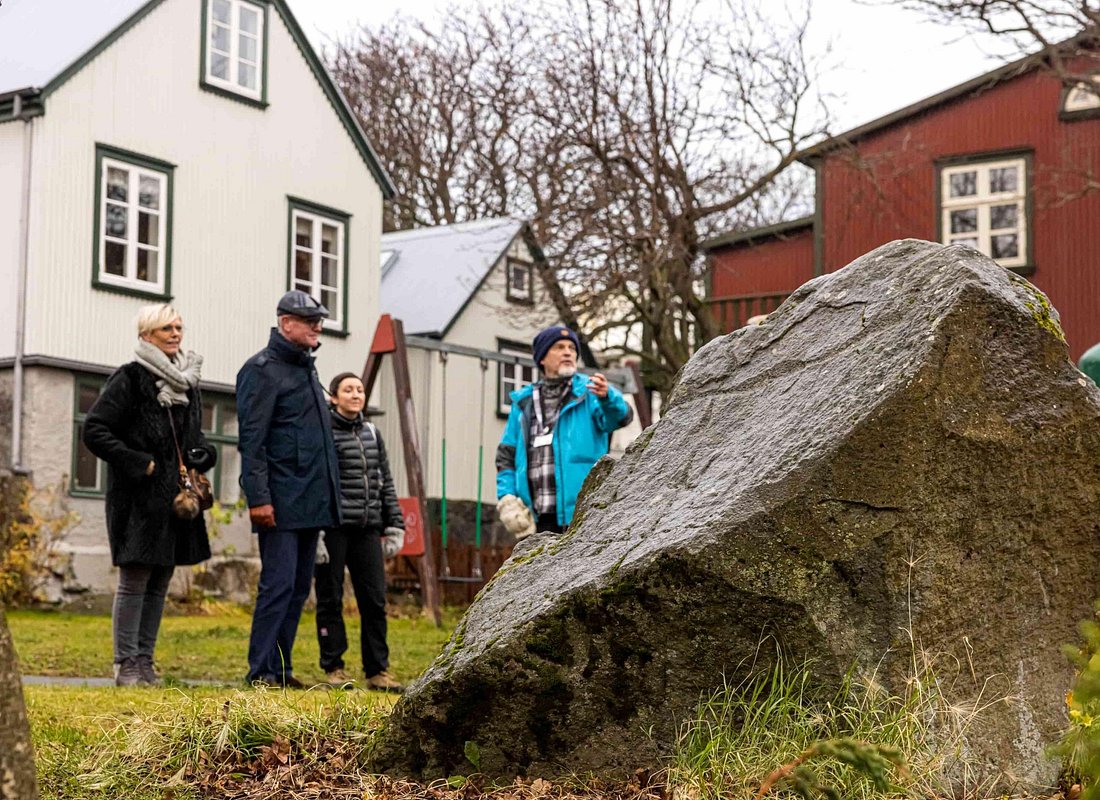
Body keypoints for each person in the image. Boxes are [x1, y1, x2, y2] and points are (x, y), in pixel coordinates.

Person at [83, 304, 216, 687]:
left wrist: (202, 454)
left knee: (160, 580)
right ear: (146, 336)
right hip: (138, 499)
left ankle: (145, 661)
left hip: (176, 501)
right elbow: (95, 430)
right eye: (165, 329)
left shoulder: (188, 383)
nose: (175, 334)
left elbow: (195, 438)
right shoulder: (130, 378)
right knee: (135, 580)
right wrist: (141, 463)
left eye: (178, 327)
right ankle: (125, 664)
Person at [237, 290, 341, 687]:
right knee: (277, 586)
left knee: (298, 589)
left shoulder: (307, 370)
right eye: (310, 320)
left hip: (312, 500)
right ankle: (260, 671)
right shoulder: (261, 370)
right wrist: (259, 499)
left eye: (320, 320)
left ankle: (280, 669)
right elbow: (253, 441)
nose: (318, 327)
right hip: (279, 502)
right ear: (285, 323)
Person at [314, 372, 406, 692]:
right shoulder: (323, 432)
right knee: (331, 598)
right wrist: (317, 531)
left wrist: (394, 523)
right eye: (348, 390)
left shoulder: (372, 433)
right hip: (334, 527)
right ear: (334, 397)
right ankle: (334, 668)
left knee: (374, 600)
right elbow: (317, 480)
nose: (356, 394)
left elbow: (386, 482)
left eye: (360, 389)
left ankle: (377, 671)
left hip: (368, 528)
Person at [496, 325, 633, 537]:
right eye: (559, 347)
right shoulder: (523, 402)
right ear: (542, 358)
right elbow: (506, 456)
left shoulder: (591, 392)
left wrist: (608, 397)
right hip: (537, 519)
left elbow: (620, 417)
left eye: (572, 348)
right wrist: (507, 498)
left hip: (585, 514)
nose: (568, 352)